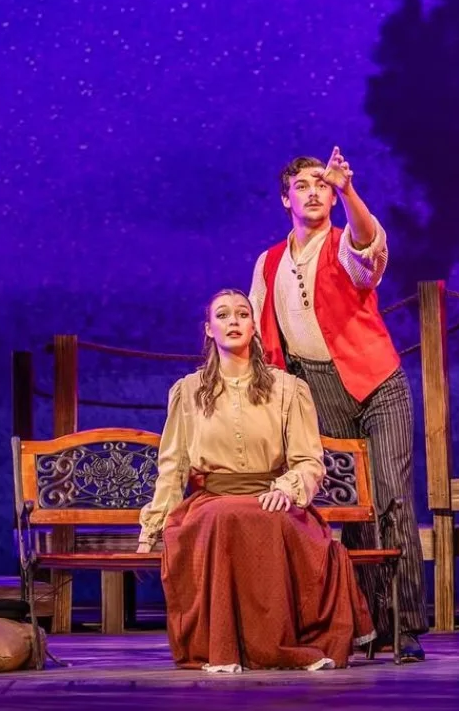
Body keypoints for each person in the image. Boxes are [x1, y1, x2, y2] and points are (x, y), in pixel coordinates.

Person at [248, 146, 428, 662]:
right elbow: (262, 334)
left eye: (320, 186)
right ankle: (365, 622)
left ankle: (406, 624)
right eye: (302, 186)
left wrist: (349, 189)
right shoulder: (270, 262)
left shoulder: (343, 240)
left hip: (376, 384)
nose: (312, 193)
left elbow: (368, 250)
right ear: (286, 199)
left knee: (390, 497)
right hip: (316, 389)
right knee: (350, 506)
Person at [136, 288, 375, 673]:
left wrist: (287, 487)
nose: (233, 321)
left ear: (254, 327)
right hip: (211, 501)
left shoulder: (288, 389)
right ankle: (222, 647)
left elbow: (308, 459)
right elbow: (174, 465)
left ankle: (279, 645)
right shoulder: (189, 392)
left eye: (243, 314)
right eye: (224, 315)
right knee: (224, 518)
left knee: (269, 519)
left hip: (272, 496)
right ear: (209, 330)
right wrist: (155, 526)